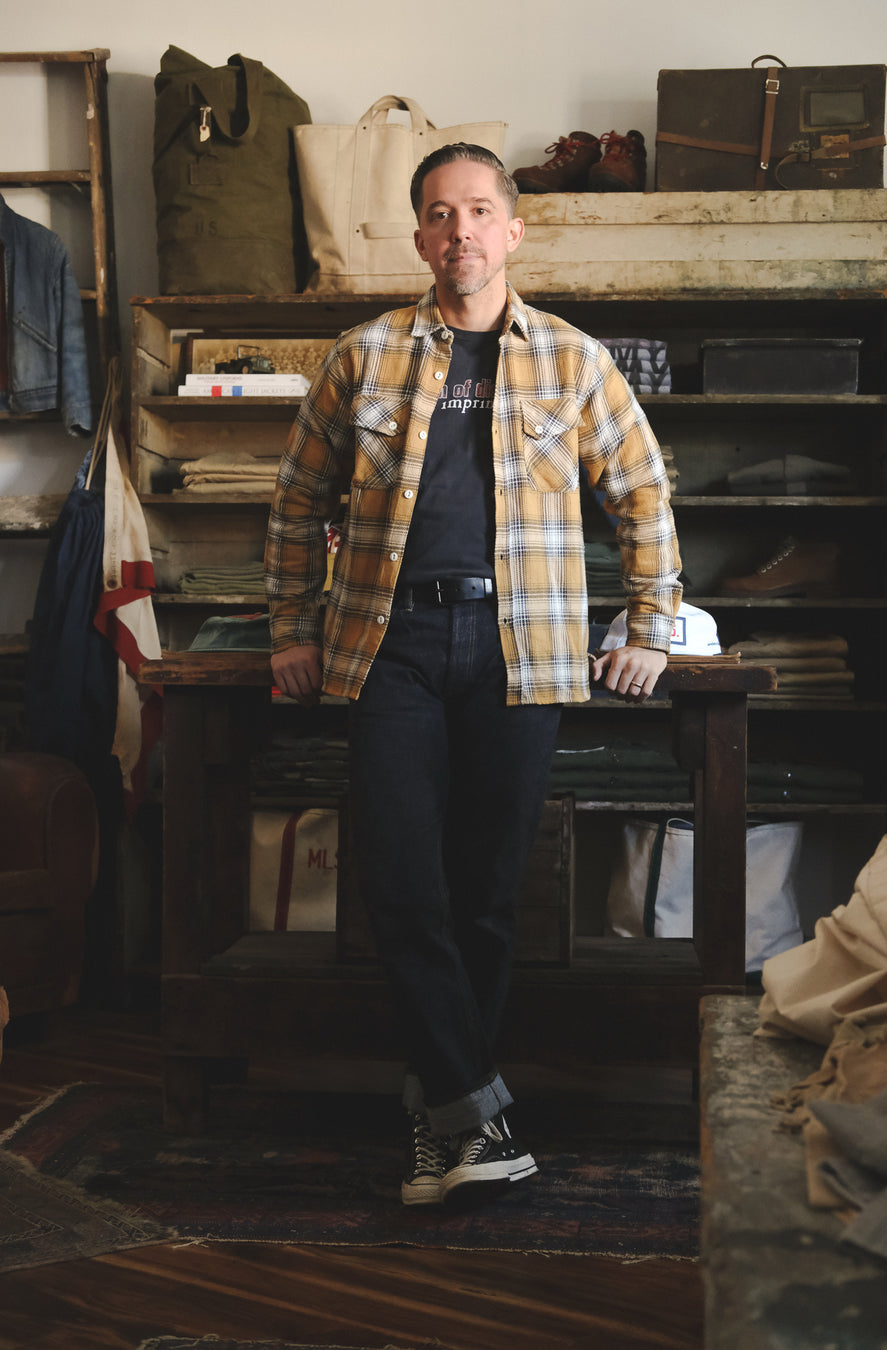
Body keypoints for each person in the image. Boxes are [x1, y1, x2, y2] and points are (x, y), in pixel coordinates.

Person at [265, 142, 682, 1208]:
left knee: (488, 897)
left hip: (520, 647)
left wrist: (651, 627)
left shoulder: (574, 362)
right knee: (401, 885)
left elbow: (641, 494)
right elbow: (297, 501)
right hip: (387, 645)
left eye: (481, 210)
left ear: (513, 230)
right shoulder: (361, 357)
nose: (462, 230)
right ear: (420, 238)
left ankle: (442, 1124)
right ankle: (475, 1117)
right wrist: (290, 628)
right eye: (442, 213)